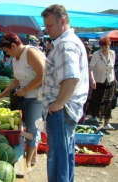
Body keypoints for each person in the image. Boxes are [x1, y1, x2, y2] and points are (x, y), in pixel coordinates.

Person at [41, 5, 89, 182]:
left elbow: (71, 79)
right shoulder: (70, 42)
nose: (46, 30)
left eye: (49, 26)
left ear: (62, 21)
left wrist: (57, 104)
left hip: (61, 111)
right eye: (45, 26)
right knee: (65, 157)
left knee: (58, 160)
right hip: (65, 110)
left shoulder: (65, 45)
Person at [0, 32, 46, 172]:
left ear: (14, 45)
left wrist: (26, 89)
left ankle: (27, 162)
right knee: (24, 128)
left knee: (33, 129)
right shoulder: (15, 58)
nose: (7, 54)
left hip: (37, 97)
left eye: (7, 50)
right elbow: (16, 81)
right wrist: (0, 95)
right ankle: (33, 156)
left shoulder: (30, 52)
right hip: (23, 98)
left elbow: (43, 75)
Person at [84, 37, 116, 130]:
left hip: (110, 81)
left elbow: (112, 67)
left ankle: (106, 123)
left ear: (109, 46)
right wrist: (92, 80)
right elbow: (90, 69)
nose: (104, 49)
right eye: (102, 47)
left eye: (106, 47)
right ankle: (92, 116)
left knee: (108, 102)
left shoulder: (112, 54)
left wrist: (114, 79)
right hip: (98, 81)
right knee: (95, 100)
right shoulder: (96, 54)